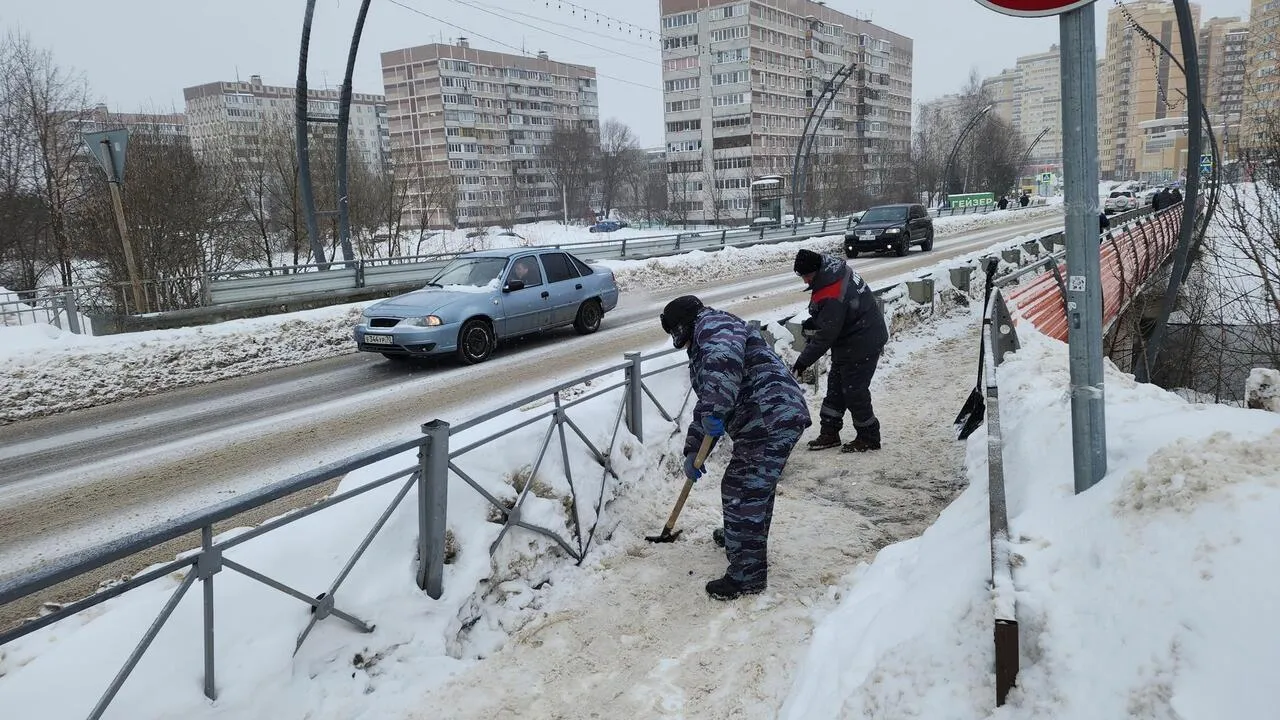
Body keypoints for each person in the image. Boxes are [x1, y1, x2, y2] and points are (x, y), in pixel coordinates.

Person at [659, 295, 811, 601]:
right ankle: (740, 539)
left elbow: (722, 368)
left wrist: (715, 409)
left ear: (682, 327)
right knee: (752, 488)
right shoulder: (711, 330)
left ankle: (747, 575)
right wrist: (694, 449)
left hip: (769, 416)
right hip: (767, 416)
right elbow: (711, 397)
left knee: (742, 489)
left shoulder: (712, 327)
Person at [790, 249, 888, 453]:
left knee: (854, 390)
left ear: (816, 270)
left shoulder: (833, 291)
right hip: (851, 337)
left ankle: (869, 436)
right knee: (836, 387)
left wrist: (802, 363)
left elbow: (825, 336)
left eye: (807, 276)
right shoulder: (833, 270)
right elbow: (835, 314)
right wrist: (818, 320)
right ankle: (830, 433)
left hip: (864, 340)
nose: (805, 281)